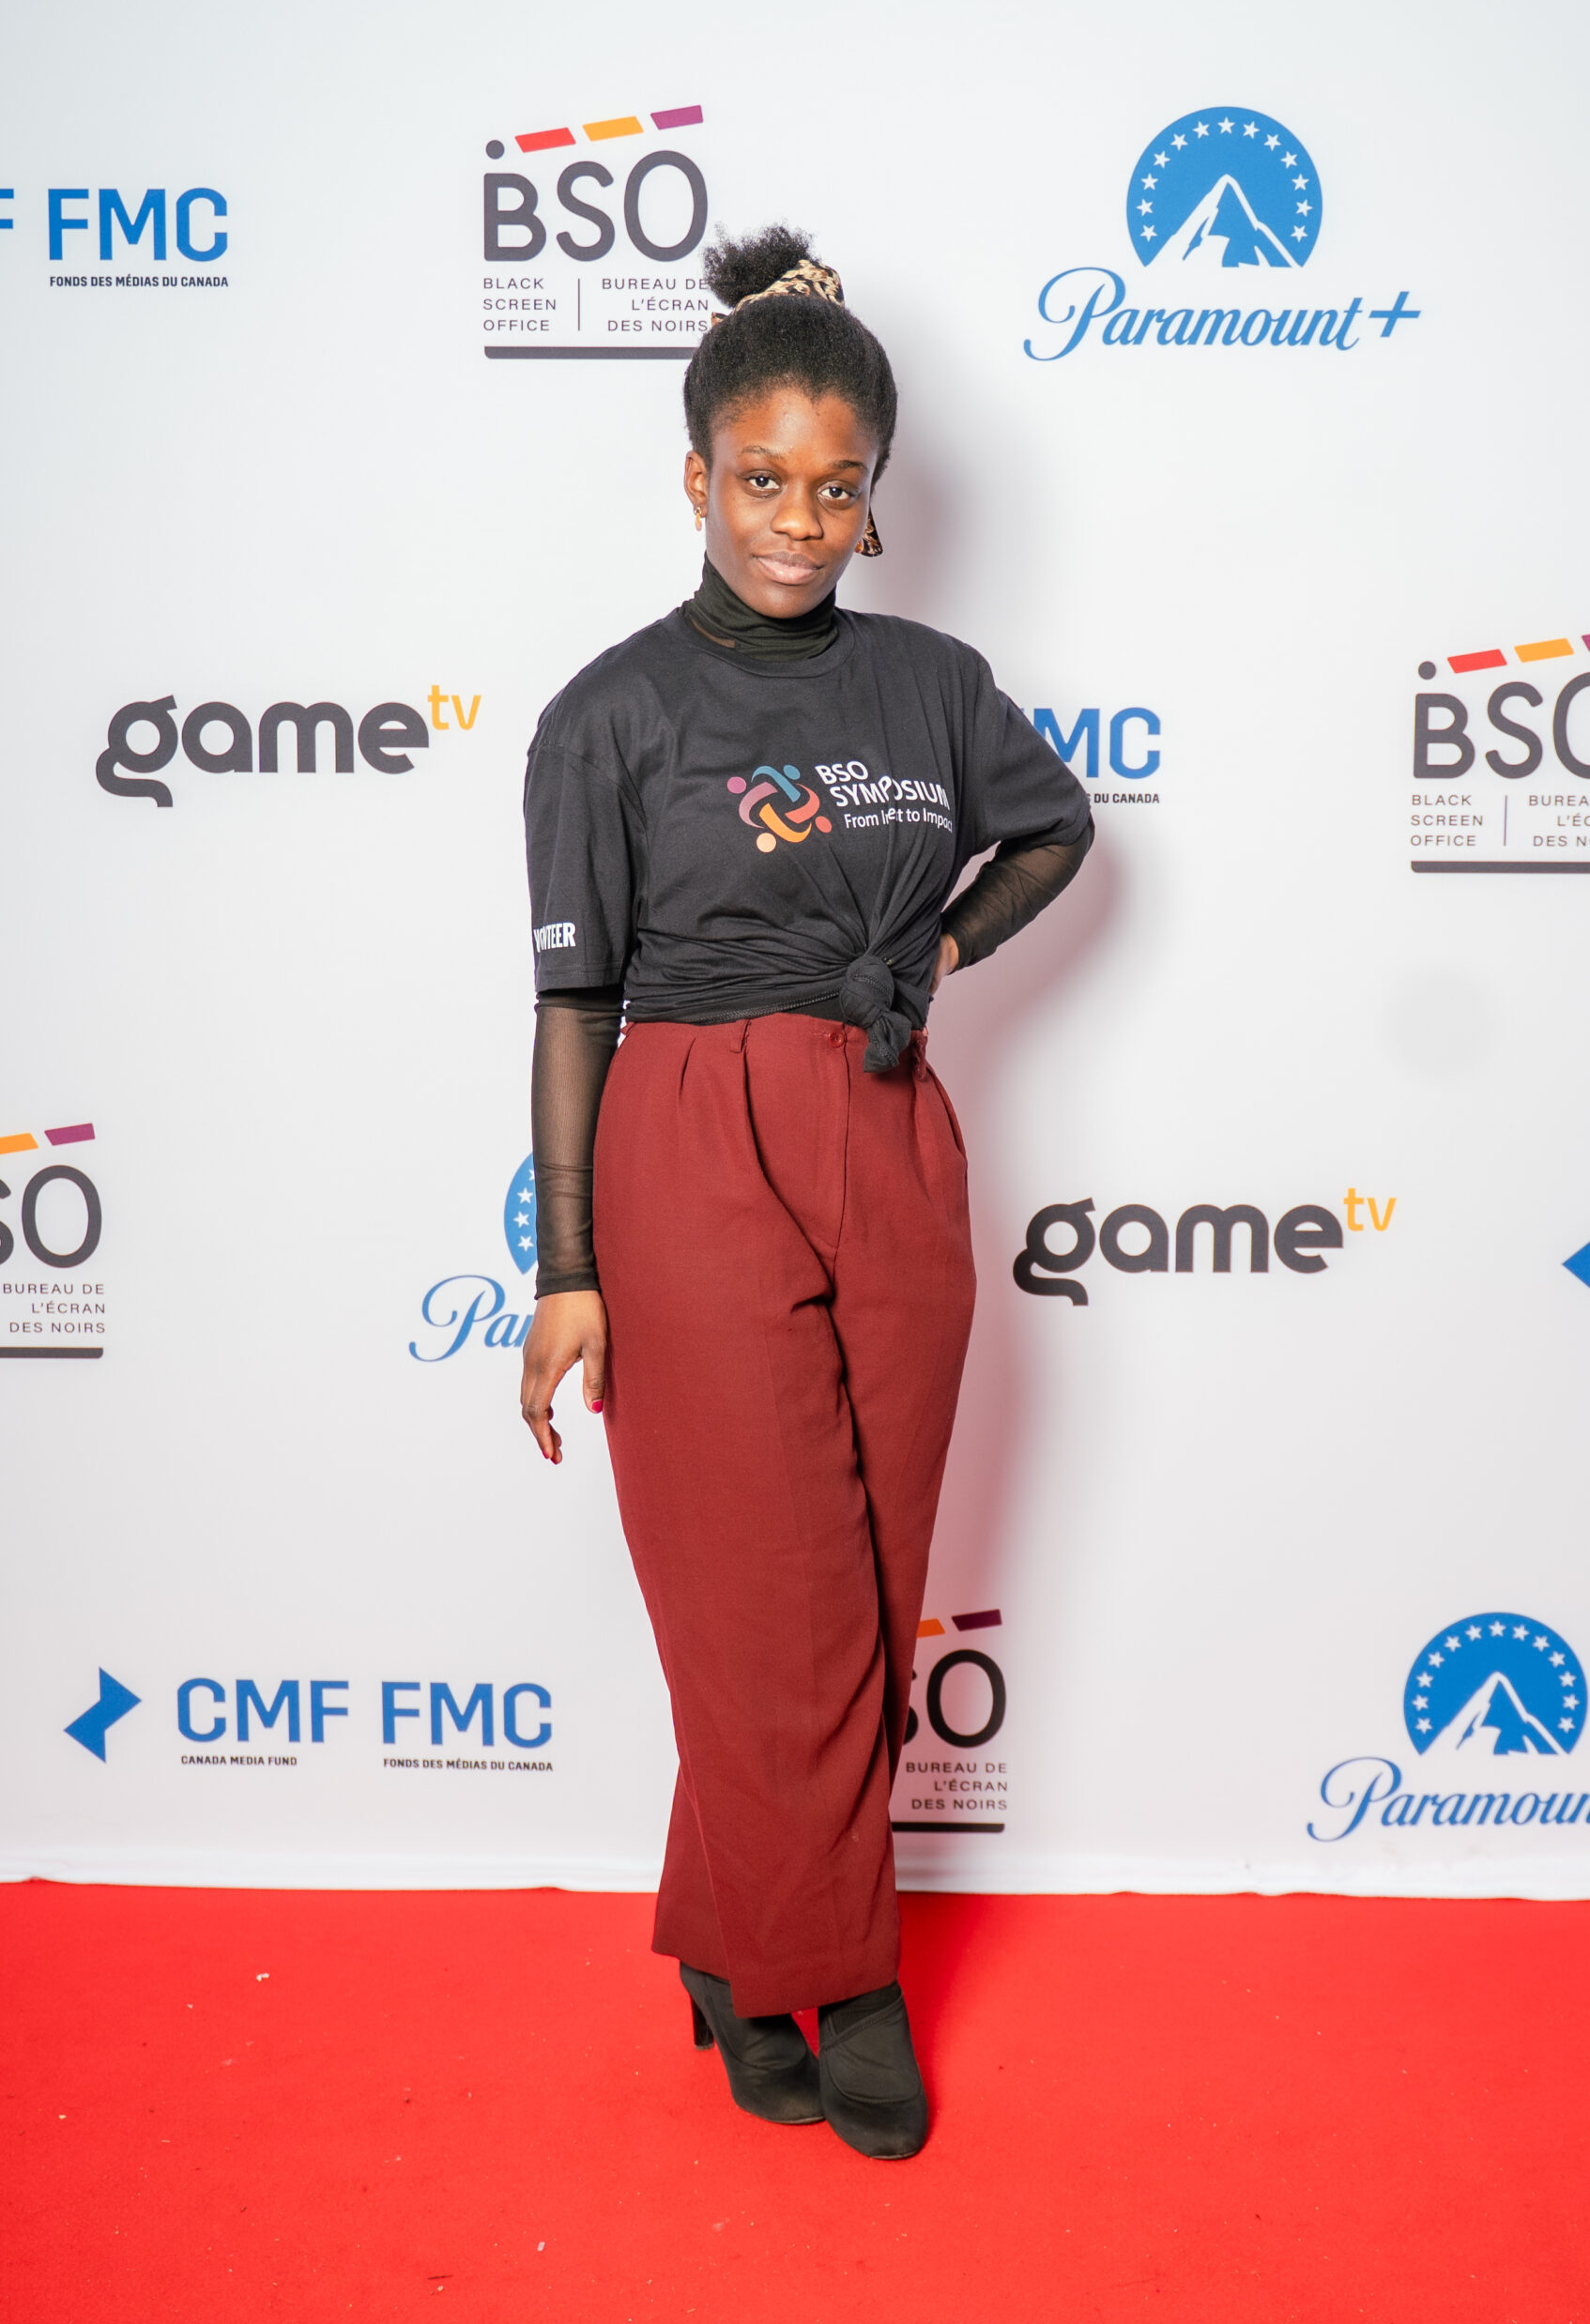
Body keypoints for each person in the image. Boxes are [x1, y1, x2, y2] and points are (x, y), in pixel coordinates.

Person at [519, 226, 1092, 2159]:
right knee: (766, 1597)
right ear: (695, 477)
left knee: (864, 1581)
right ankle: (845, 1981)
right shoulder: (607, 715)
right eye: (759, 479)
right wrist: (569, 1263)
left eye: (834, 487)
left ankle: (725, 1935)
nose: (795, 519)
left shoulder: (934, 685)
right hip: (688, 1133)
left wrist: (935, 953)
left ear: (874, 497)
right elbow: (573, 1005)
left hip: (886, 1125)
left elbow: (1054, 828)